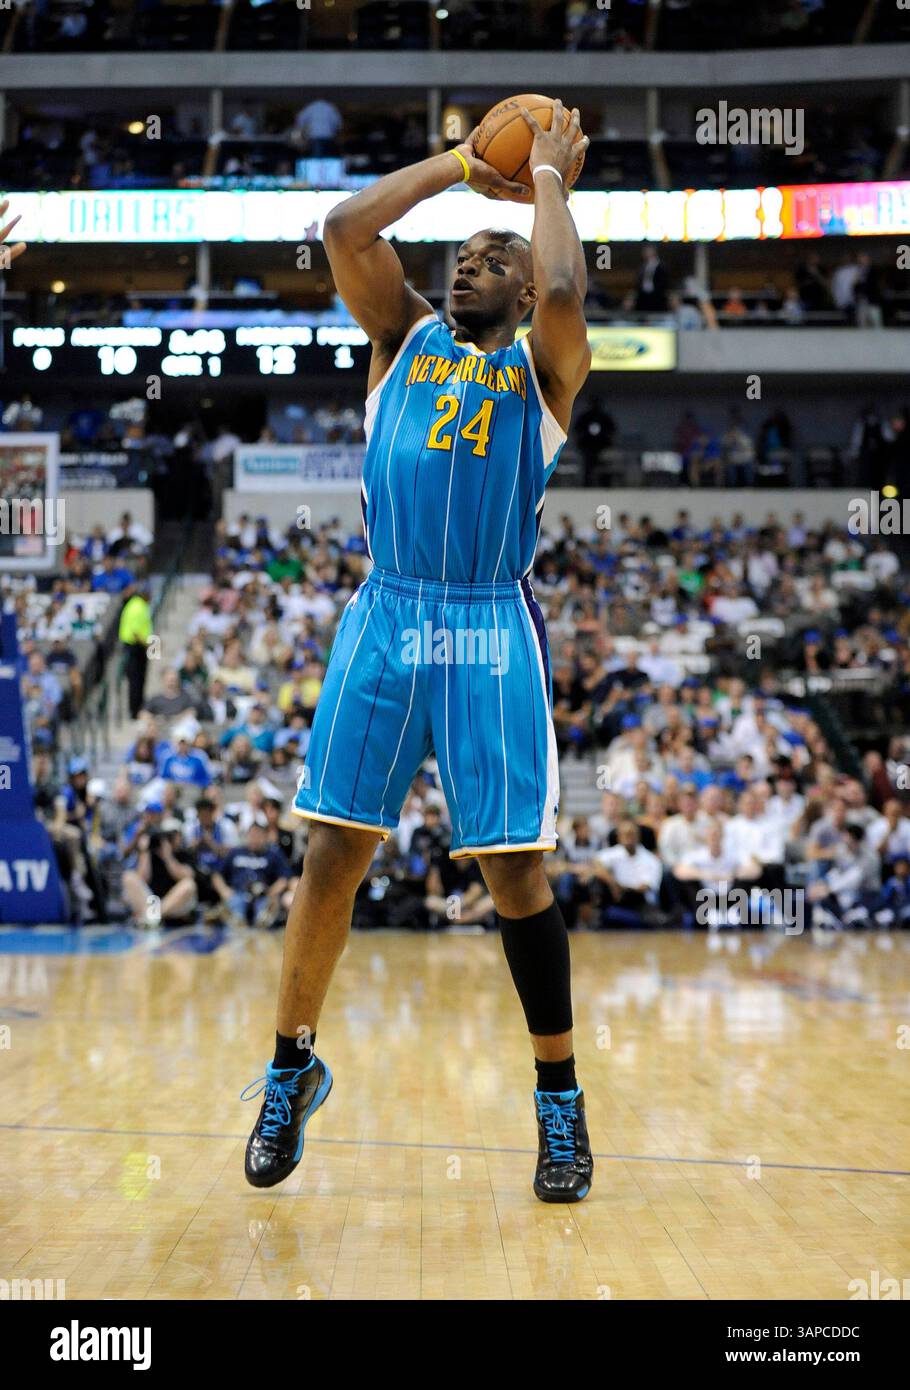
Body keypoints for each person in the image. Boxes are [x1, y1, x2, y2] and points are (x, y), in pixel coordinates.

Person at [241, 104, 595, 1204]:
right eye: (460, 253)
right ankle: (291, 1066)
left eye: (491, 259)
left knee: (512, 873)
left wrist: (541, 185)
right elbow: (348, 225)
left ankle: (558, 1102)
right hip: (387, 612)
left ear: (523, 289)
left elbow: (573, 294)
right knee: (331, 857)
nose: (466, 262)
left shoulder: (545, 368)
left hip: (488, 624)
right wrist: (456, 166)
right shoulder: (399, 341)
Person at [118, 583, 152, 720]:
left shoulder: (137, 605)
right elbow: (137, 633)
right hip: (135, 648)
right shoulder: (138, 607)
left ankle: (138, 708)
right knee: (136, 680)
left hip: (138, 648)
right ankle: (135, 710)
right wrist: (152, 647)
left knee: (138, 680)